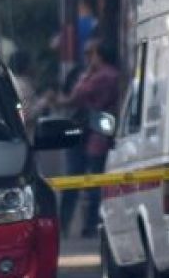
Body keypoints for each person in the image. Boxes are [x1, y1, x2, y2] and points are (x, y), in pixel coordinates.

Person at [49, 38, 121, 237]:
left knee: (85, 179)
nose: (88, 58)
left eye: (91, 54)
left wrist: (87, 74)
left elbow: (76, 96)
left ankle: (79, 224)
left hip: (94, 130)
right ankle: (88, 224)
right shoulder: (111, 74)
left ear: (100, 55)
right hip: (99, 129)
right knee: (92, 178)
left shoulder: (101, 76)